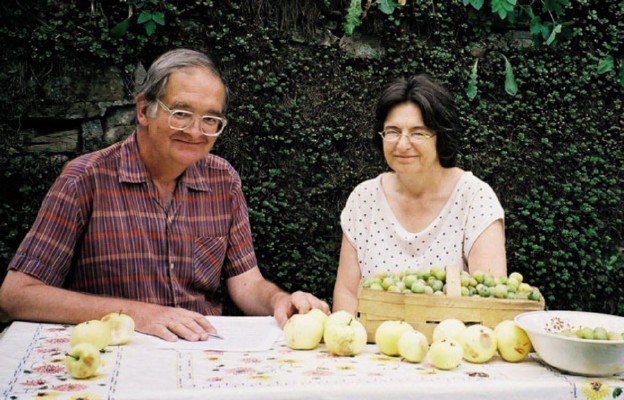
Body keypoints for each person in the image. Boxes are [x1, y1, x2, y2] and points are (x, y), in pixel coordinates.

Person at [0, 48, 329, 341]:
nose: (196, 131)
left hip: (203, 353)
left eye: (210, 119)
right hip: (115, 352)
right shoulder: (85, 180)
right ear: (144, 110)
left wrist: (278, 301)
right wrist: (137, 314)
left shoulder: (223, 180)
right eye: (181, 113)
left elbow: (246, 283)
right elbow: (15, 296)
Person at [332, 74, 506, 314]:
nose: (402, 144)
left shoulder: (475, 198)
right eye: (392, 131)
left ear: (441, 136)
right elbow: (347, 294)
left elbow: (491, 303)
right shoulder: (363, 200)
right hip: (373, 347)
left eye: (418, 132)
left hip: (452, 347)